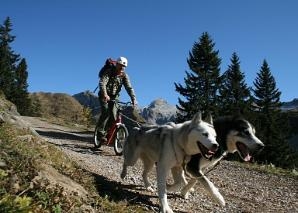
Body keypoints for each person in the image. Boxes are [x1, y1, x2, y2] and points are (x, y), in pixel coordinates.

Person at [96, 56, 137, 143]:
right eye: (121, 65)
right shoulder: (109, 72)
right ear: (117, 64)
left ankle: (109, 134)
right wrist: (105, 94)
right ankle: (100, 134)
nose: (122, 68)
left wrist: (133, 98)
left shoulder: (124, 76)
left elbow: (129, 88)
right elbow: (102, 83)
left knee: (114, 116)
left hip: (115, 97)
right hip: (104, 95)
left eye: (124, 66)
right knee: (106, 112)